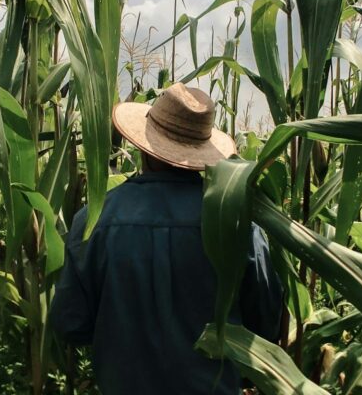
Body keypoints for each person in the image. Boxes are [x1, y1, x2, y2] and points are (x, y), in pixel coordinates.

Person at [50, 82, 283, 394]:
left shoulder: (93, 221)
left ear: (143, 144)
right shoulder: (238, 223)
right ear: (203, 151)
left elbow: (71, 324)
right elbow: (265, 326)